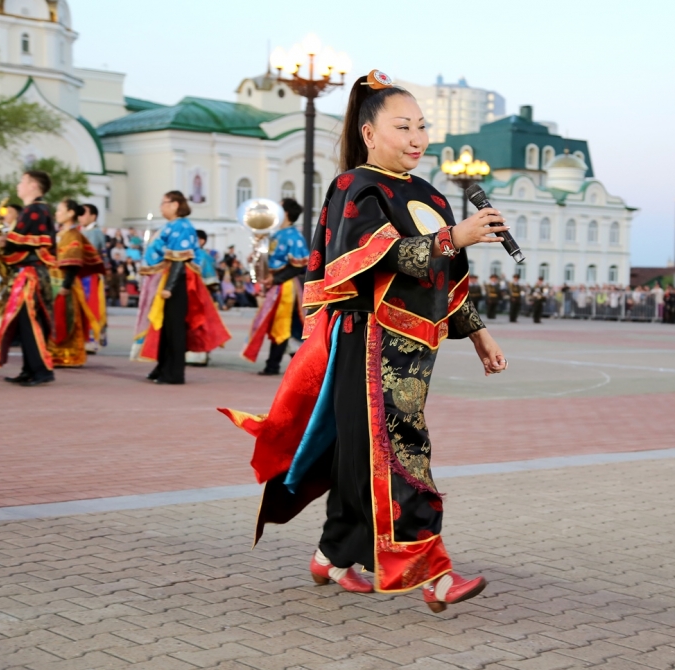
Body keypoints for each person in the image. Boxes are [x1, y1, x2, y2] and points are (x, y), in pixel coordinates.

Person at [220, 70, 508, 612]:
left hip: (415, 348)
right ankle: (432, 572)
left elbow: (440, 278)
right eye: (403, 126)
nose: (417, 137)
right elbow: (378, 257)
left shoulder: (430, 195)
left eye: (422, 126)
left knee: (362, 450)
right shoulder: (356, 187)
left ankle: (333, 553)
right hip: (368, 338)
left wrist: (480, 335)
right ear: (370, 133)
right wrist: (454, 236)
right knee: (399, 451)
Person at [130, 191, 231, 383]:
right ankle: (162, 367)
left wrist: (169, 286)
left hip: (177, 284)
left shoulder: (182, 227)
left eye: (164, 203)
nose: (161, 206)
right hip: (166, 281)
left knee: (174, 329)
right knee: (164, 327)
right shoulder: (171, 226)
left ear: (175, 204)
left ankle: (174, 373)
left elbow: (180, 259)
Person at [0, 170, 57, 386]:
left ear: (33, 185)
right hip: (28, 273)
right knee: (24, 323)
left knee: (30, 323)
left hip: (32, 275)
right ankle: (29, 369)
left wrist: (4, 241)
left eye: (22, 181)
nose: (18, 185)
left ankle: (41, 370)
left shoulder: (35, 210)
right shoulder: (34, 210)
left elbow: (24, 242)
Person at [241, 198, 311, 375]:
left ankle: (274, 364)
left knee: (281, 324)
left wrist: (276, 279)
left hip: (285, 287)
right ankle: (299, 363)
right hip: (276, 285)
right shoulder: (273, 235)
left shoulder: (294, 237)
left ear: (285, 213)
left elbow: (299, 265)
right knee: (281, 325)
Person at [47, 199, 106, 367]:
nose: (56, 213)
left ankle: (69, 355)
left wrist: (66, 285)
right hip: (54, 281)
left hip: (66, 284)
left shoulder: (73, 235)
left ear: (70, 213)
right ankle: (54, 353)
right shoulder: (60, 234)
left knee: (66, 318)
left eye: (59, 210)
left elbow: (73, 263)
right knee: (55, 319)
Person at [75, 203, 108, 352]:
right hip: (80, 274)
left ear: (93, 216)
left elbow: (89, 255)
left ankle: (90, 339)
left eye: (83, 213)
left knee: (91, 305)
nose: (80, 217)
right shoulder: (79, 231)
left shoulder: (95, 233)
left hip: (90, 275)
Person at [186, 229, 221, 366]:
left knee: (200, 326)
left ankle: (199, 355)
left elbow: (210, 280)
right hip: (192, 296)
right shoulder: (192, 254)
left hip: (200, 297)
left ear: (201, 241)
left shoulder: (203, 256)